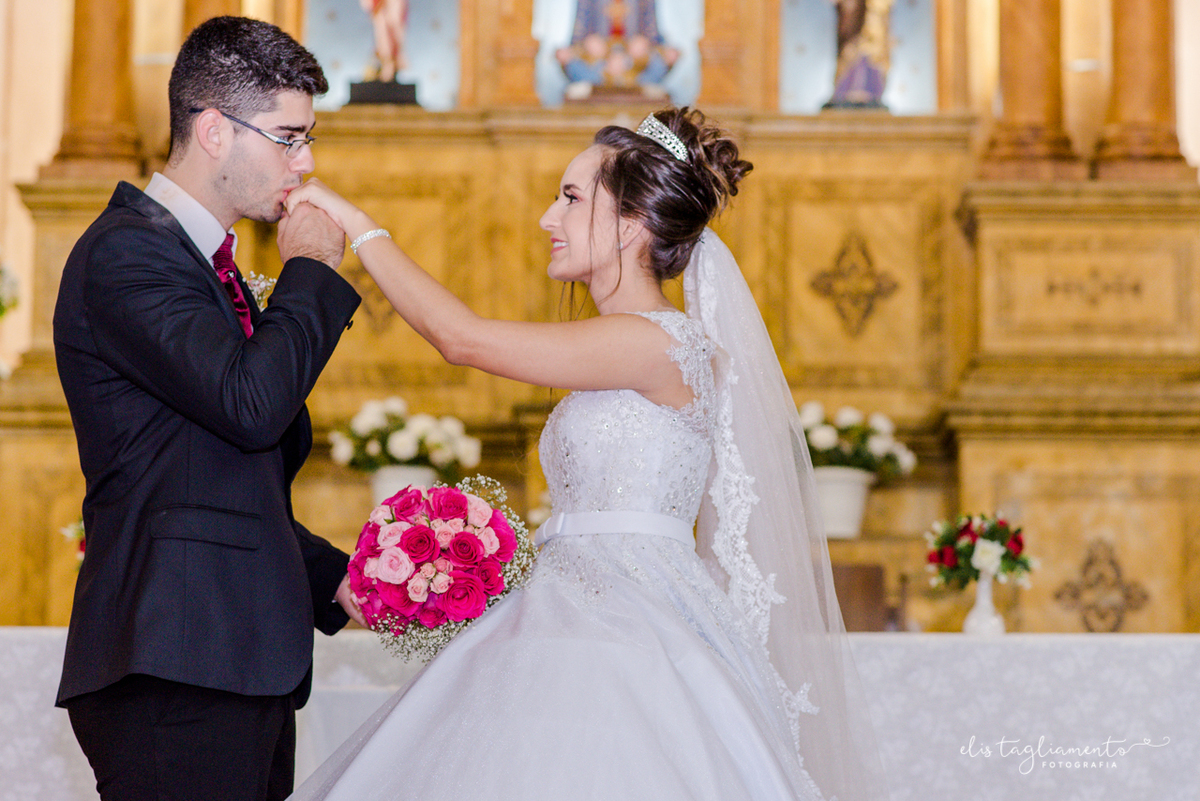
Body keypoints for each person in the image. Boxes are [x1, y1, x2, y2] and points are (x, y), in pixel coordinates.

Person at [286, 107, 887, 800]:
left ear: (632, 223)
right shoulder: (627, 341)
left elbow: (465, 340)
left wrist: (356, 224)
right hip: (558, 601)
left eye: (571, 198)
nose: (548, 216)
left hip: (629, 624)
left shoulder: (657, 340)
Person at [52, 16, 367, 801]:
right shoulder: (128, 251)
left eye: (310, 138)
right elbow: (252, 404)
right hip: (177, 663)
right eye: (290, 137)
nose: (308, 162)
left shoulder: (198, 264)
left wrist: (340, 579)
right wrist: (309, 269)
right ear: (214, 130)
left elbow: (218, 472)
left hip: (228, 656)